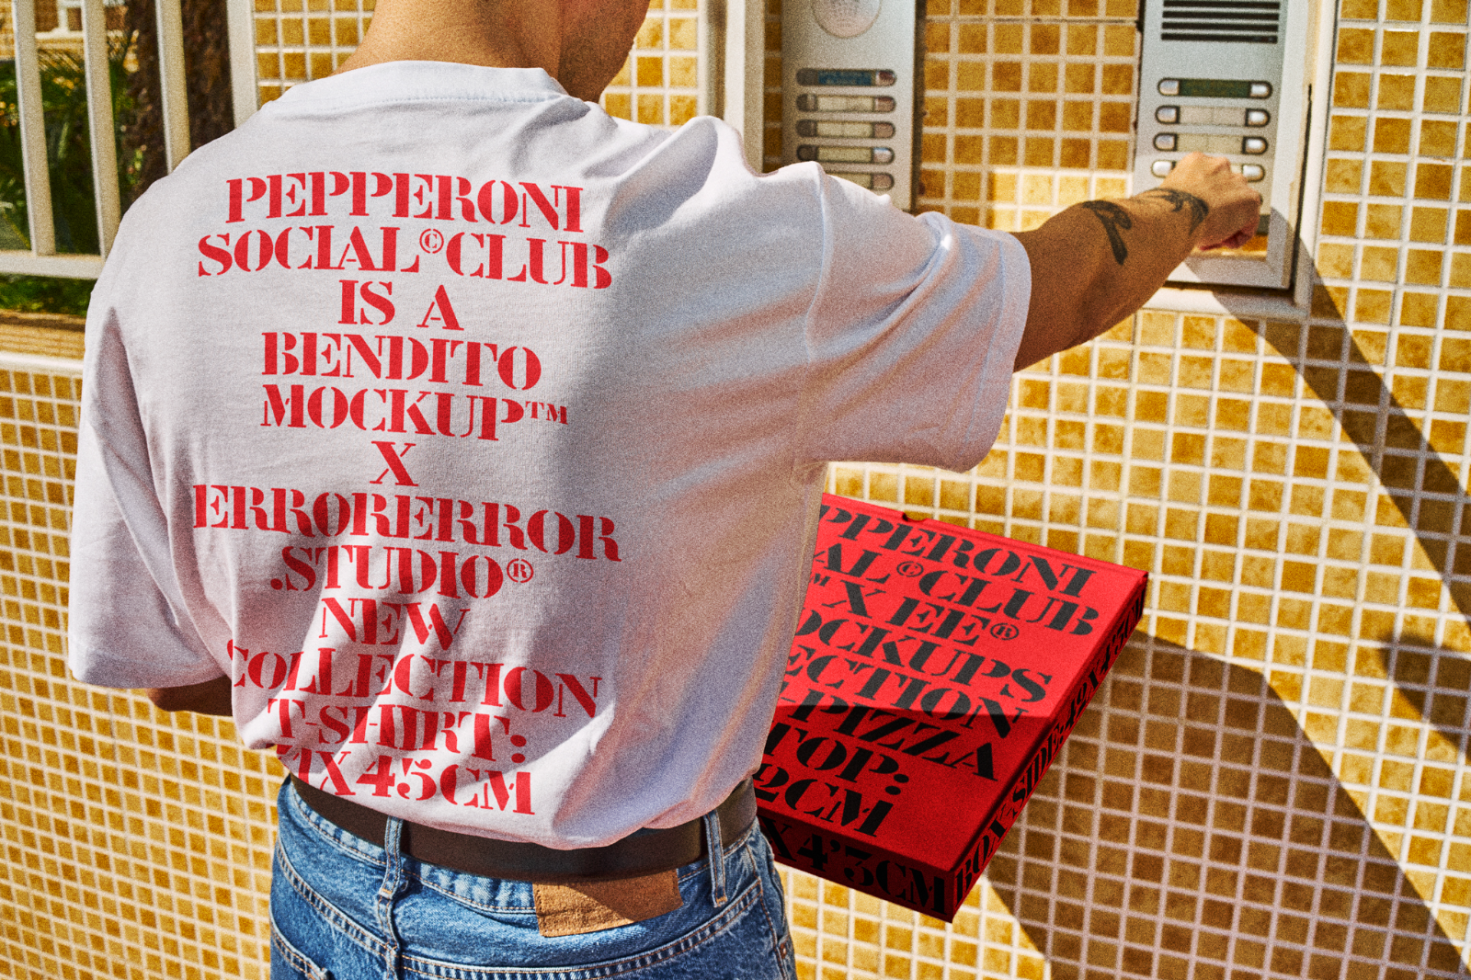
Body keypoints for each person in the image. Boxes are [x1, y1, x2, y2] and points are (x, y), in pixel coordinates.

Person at [65, 1, 1262, 977]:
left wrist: (404, 678)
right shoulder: (718, 229)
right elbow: (1052, 293)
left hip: (324, 886)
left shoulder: (168, 234)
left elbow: (178, 674)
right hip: (615, 926)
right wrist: (1191, 202)